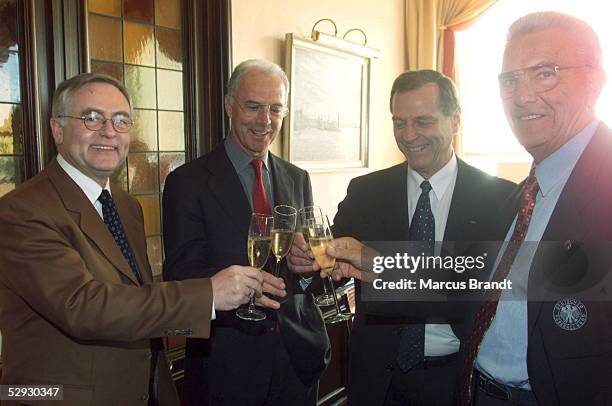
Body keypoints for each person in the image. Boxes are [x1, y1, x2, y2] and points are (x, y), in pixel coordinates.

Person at [0, 73, 275, 405]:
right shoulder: (22, 211)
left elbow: (139, 306)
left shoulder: (125, 205)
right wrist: (208, 296)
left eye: (121, 121)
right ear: (57, 129)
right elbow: (84, 308)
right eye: (91, 118)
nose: (108, 131)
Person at [289, 69, 515, 405]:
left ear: (455, 120)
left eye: (423, 121)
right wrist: (305, 265)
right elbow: (331, 274)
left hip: (459, 378)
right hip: (378, 380)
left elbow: (481, 290)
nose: (409, 135)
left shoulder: (500, 200)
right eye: (399, 122)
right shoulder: (366, 192)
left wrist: (382, 264)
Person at [457, 11, 612, 406]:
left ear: (595, 81)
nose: (522, 96)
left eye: (545, 73)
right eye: (510, 79)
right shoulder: (520, 196)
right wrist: (373, 261)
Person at [162, 59, 330, 406]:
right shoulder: (187, 183)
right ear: (229, 105)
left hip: (296, 363)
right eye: (253, 107)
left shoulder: (298, 178)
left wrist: (308, 266)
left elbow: (306, 278)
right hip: (226, 371)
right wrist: (240, 288)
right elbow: (181, 276)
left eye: (275, 109)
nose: (265, 121)